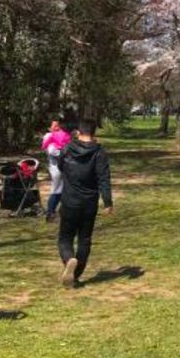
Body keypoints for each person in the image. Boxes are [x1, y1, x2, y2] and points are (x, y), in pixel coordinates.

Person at [57, 119, 112, 288]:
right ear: (94, 133)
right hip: (89, 203)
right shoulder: (99, 152)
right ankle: (76, 274)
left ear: (78, 132)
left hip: (69, 201)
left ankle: (69, 260)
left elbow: (60, 167)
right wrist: (108, 202)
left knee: (65, 238)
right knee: (85, 239)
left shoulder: (67, 149)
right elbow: (104, 178)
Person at [41, 120, 72, 222]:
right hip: (56, 168)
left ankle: (60, 211)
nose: (57, 128)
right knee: (56, 190)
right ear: (49, 127)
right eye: (55, 126)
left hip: (62, 168)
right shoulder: (49, 137)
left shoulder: (60, 137)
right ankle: (50, 212)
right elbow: (52, 151)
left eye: (58, 126)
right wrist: (64, 153)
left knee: (63, 190)